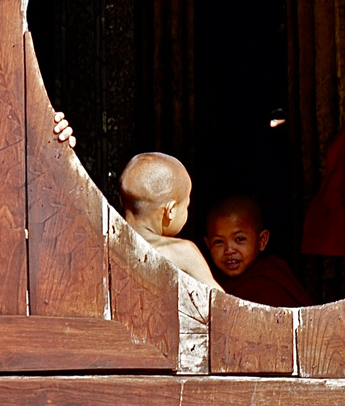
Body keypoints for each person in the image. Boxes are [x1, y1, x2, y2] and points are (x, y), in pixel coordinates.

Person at [52, 113, 221, 289]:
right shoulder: (183, 253)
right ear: (169, 211)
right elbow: (222, 307)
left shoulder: (100, 245)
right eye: (186, 205)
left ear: (121, 201)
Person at [205, 195, 309, 307]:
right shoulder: (208, 282)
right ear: (208, 244)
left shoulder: (269, 287)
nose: (229, 250)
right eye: (219, 242)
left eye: (239, 239)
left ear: (261, 241)